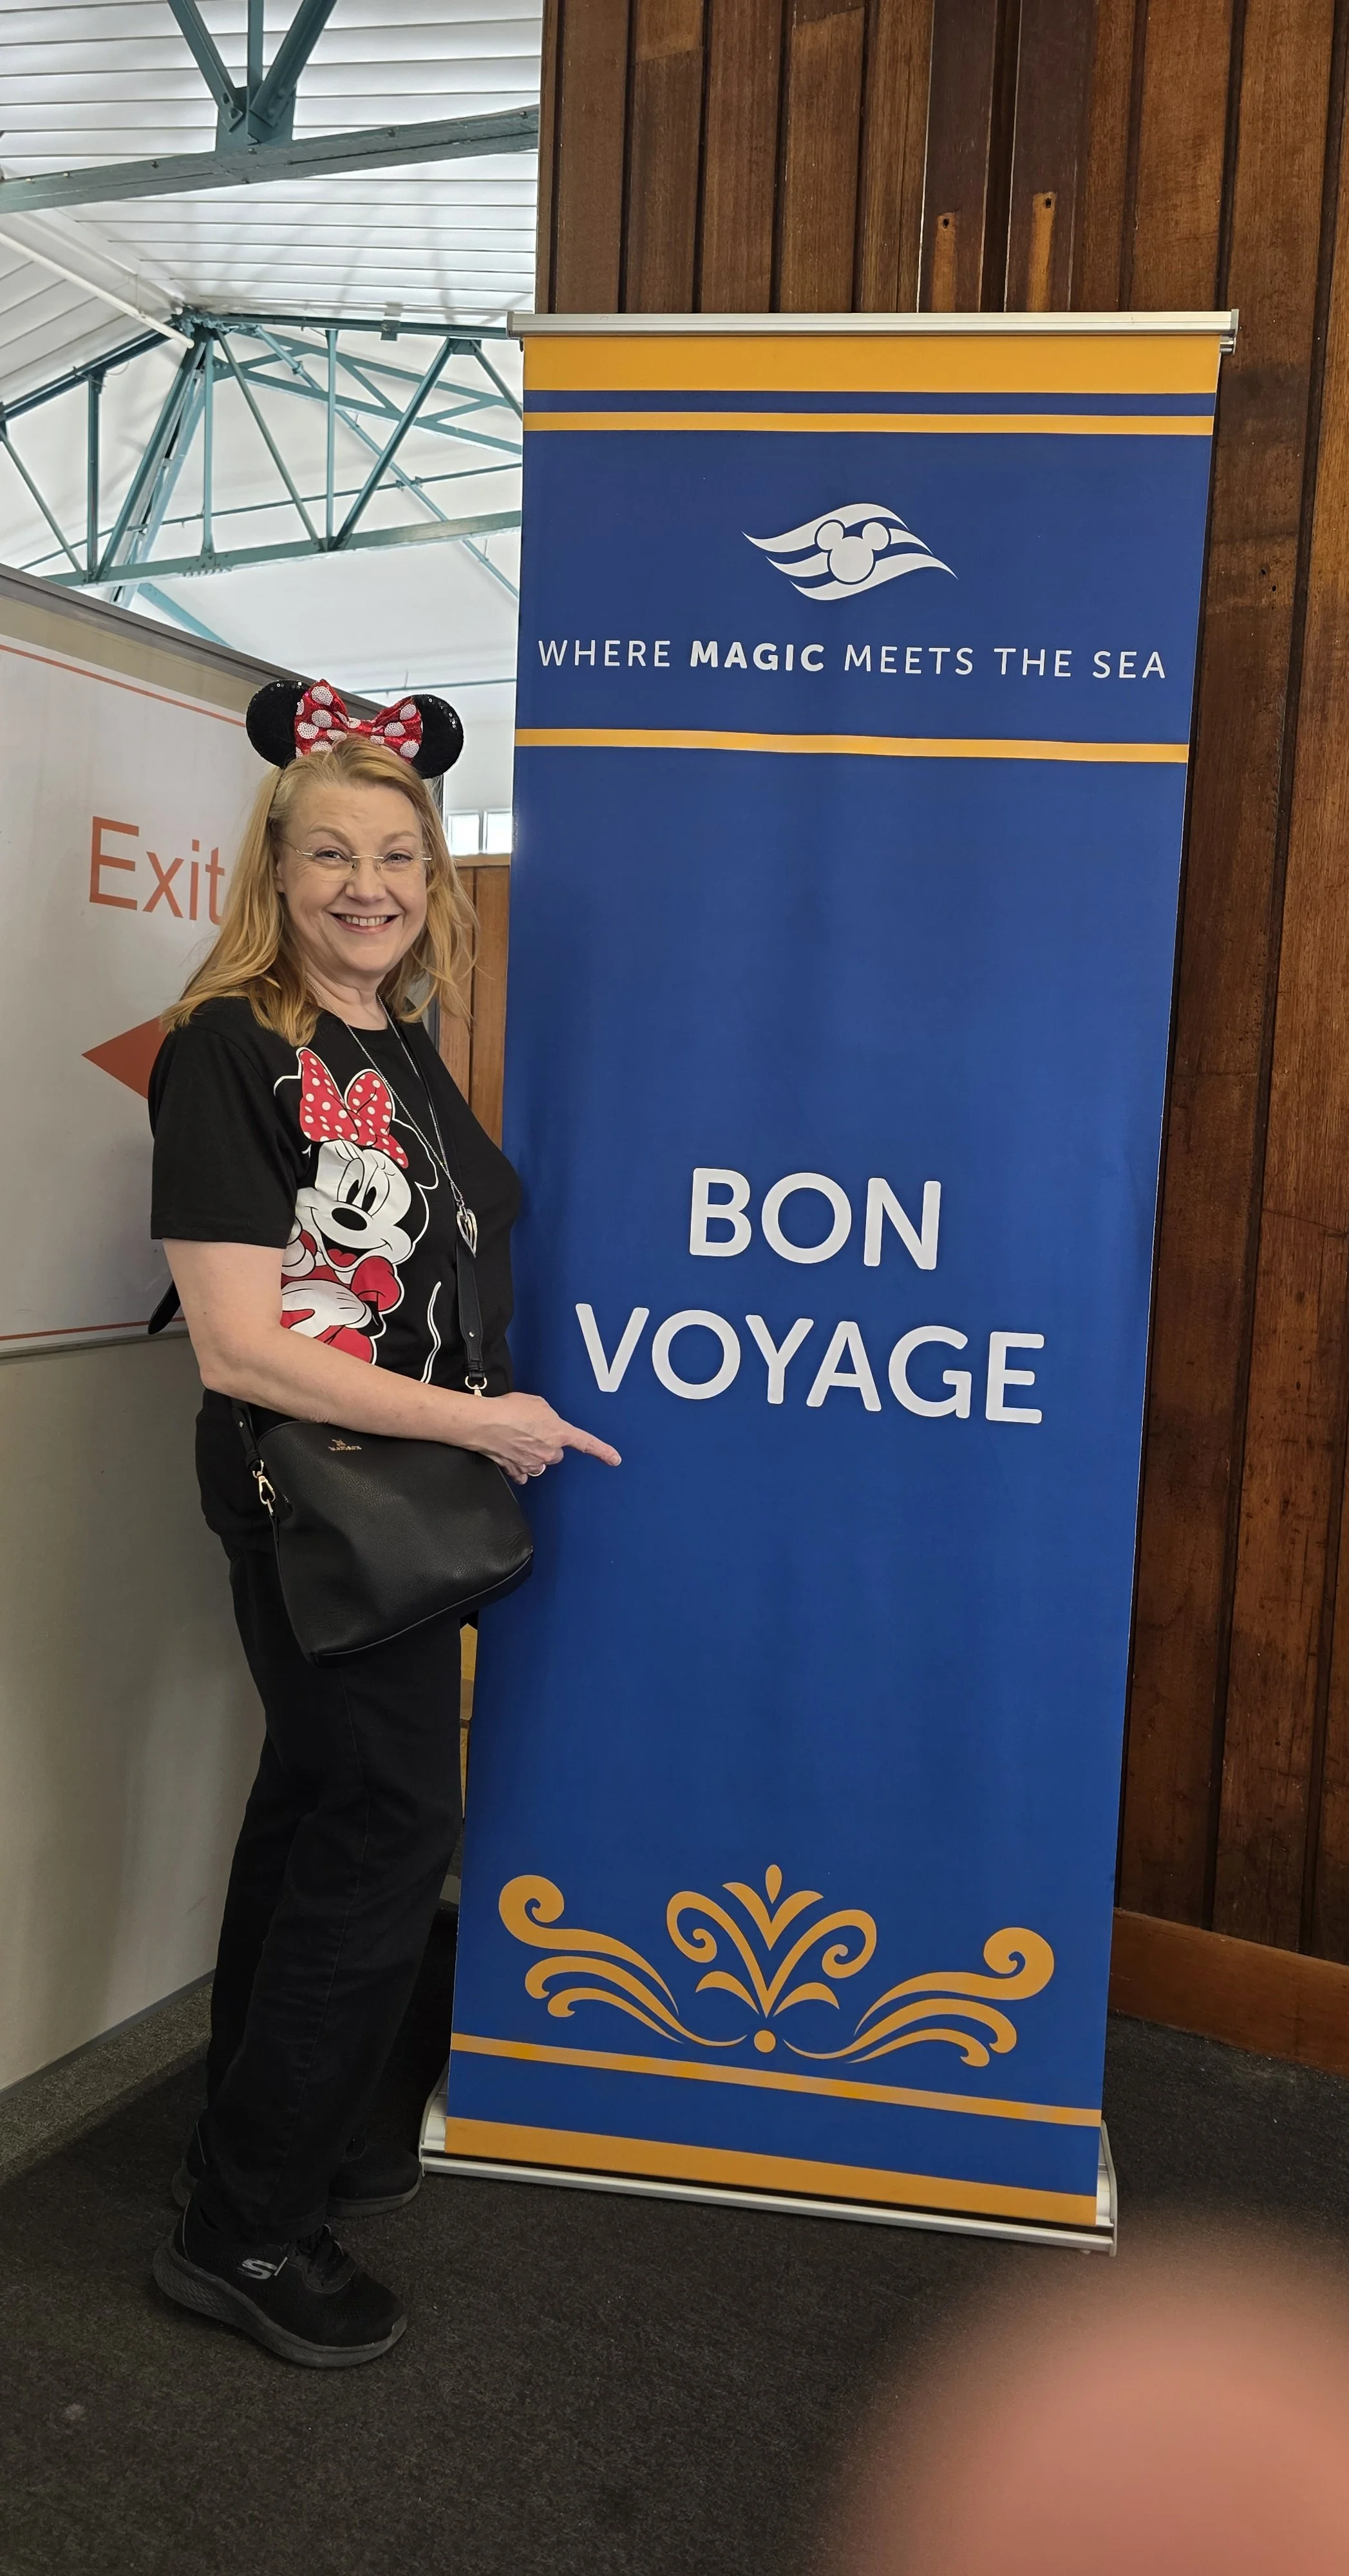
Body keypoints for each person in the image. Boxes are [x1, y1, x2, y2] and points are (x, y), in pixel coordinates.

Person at [147, 679, 619, 2369]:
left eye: (399, 857)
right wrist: (483, 1421)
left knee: (314, 1808)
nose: (368, 883)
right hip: (322, 1507)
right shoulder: (230, 1050)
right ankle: (249, 2234)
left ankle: (287, 2133)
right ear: (271, 869)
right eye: (331, 854)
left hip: (392, 1498)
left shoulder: (387, 1037)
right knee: (382, 1832)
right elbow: (239, 1342)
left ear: (434, 875)